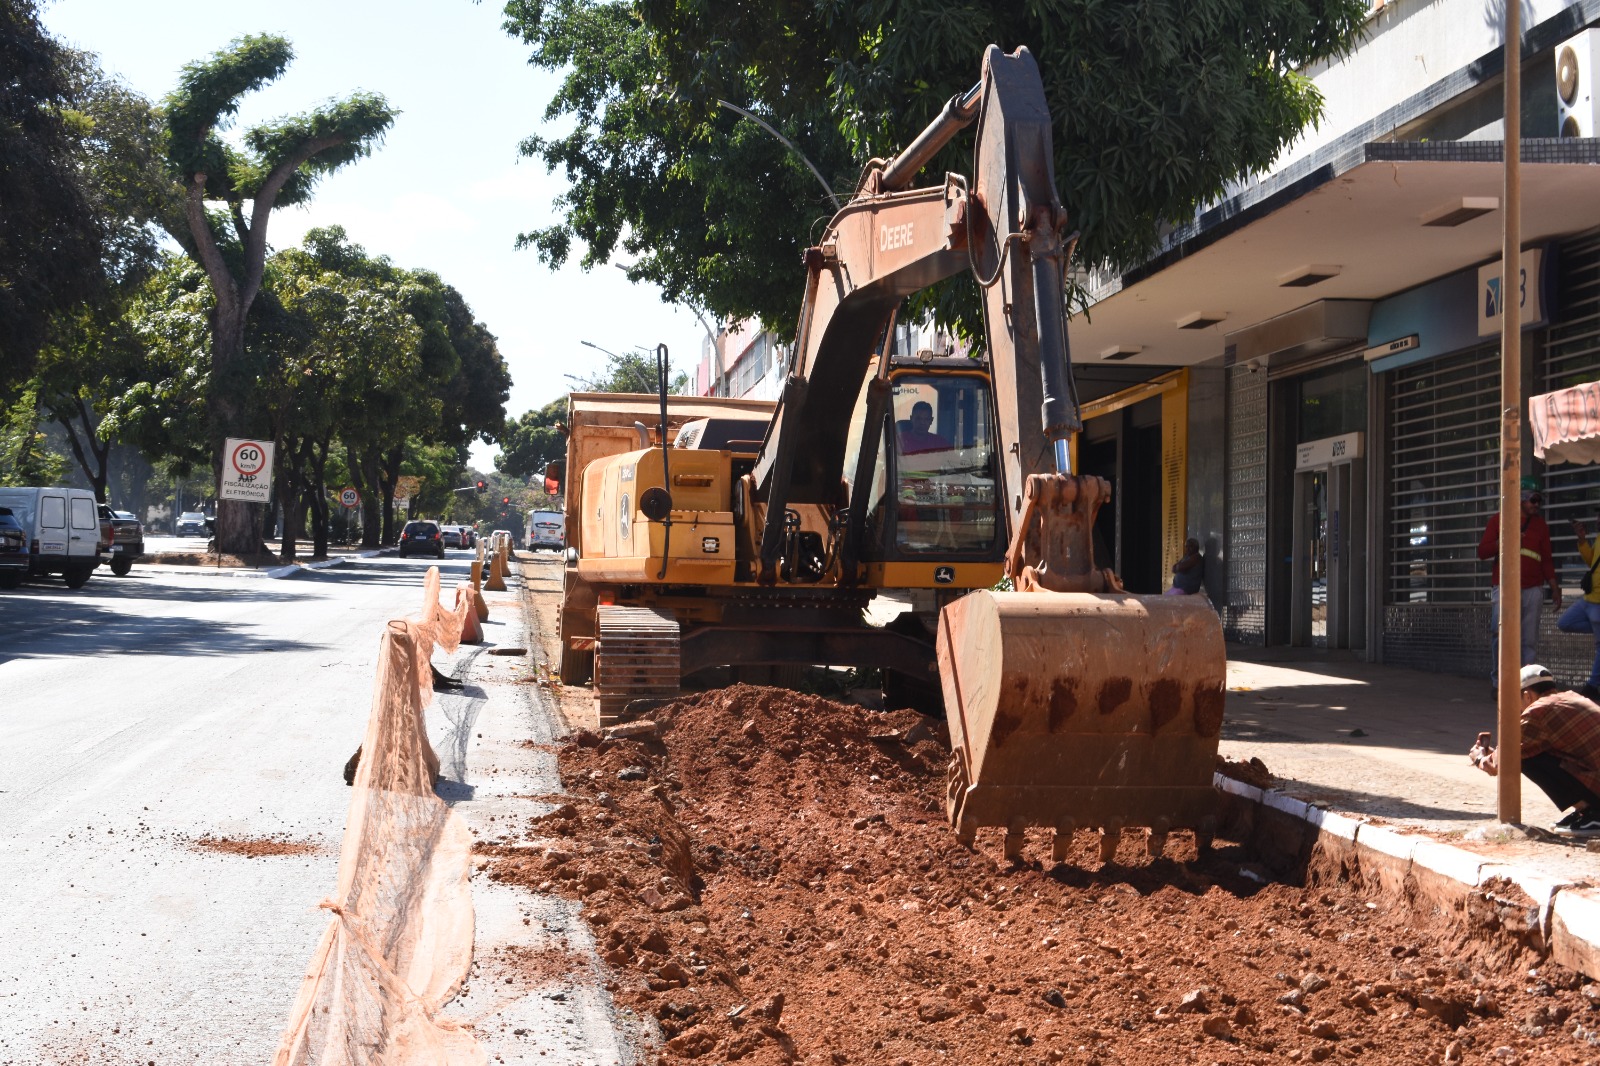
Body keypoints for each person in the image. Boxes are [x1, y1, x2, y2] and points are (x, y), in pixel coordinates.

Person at [1470, 665, 1600, 835]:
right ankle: (1587, 811)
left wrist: (1479, 758)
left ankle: (1594, 812)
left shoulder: (1537, 711)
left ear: (1527, 695)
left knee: (1523, 758)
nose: (1517, 708)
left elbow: (1501, 763)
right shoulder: (1571, 697)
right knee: (1530, 750)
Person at [1477, 477, 1560, 686]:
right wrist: (1505, 540)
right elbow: (1483, 551)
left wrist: (1554, 587)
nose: (1537, 505)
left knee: (1528, 639)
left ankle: (1525, 684)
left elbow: (1546, 559)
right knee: (1500, 635)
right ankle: (1499, 684)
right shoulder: (1499, 520)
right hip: (1505, 587)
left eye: (1539, 501)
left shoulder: (1541, 526)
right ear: (1520, 498)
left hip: (1533, 589)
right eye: (1533, 500)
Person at [1560, 516, 1600, 698]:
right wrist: (1582, 540)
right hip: (1588, 599)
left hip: (1598, 602)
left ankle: (1592, 686)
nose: (1597, 519)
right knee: (1564, 622)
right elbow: (1592, 561)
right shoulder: (1599, 537)